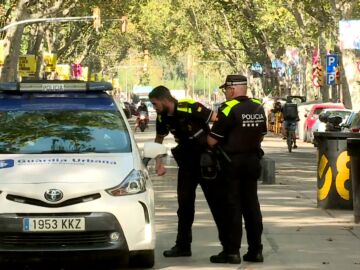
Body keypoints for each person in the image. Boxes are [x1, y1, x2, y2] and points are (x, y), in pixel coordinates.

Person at [149, 85, 226, 258]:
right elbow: (159, 138)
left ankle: (228, 248)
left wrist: (213, 142)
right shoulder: (162, 118)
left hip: (205, 161)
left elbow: (218, 119)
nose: (154, 107)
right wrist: (158, 162)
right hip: (187, 164)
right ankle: (183, 246)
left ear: (163, 99)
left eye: (155, 104)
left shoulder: (189, 107)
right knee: (184, 207)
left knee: (217, 204)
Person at [207, 74, 267, 264]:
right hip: (253, 161)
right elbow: (262, 133)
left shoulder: (228, 108)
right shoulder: (258, 106)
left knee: (232, 207)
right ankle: (256, 250)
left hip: (231, 163)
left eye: (226, 89)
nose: (225, 93)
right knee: (252, 206)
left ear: (232, 89)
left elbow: (212, 140)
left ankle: (232, 252)